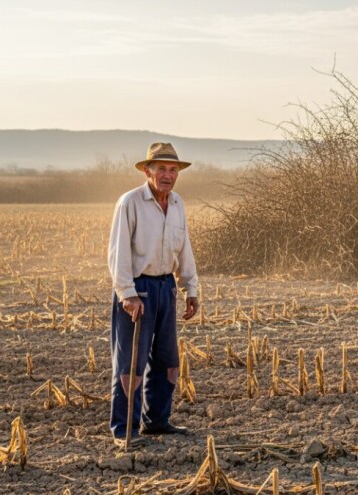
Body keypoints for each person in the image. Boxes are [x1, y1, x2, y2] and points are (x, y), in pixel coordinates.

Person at [107, 142, 199, 448]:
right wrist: (127, 294)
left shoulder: (177, 204)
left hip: (166, 287)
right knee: (130, 365)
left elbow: (183, 247)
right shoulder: (130, 203)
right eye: (161, 169)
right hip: (138, 289)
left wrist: (191, 288)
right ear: (148, 170)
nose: (168, 175)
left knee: (167, 361)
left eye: (173, 170)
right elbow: (118, 252)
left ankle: (156, 421)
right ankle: (124, 429)